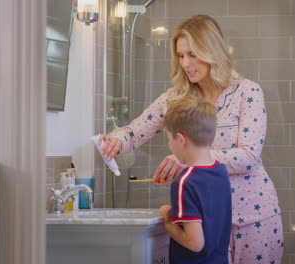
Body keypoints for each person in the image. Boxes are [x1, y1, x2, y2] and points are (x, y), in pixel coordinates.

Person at [99, 14, 283, 264]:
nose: (186, 63)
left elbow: (249, 157)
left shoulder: (247, 92)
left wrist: (190, 159)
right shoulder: (175, 98)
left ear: (212, 51)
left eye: (193, 54)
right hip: (204, 222)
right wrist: (116, 141)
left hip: (252, 216)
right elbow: (134, 131)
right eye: (181, 55)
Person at [158, 95, 231, 263]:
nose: (170, 145)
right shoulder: (221, 171)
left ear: (181, 140)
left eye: (169, 139)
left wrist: (169, 223)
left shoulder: (185, 182)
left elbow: (195, 243)